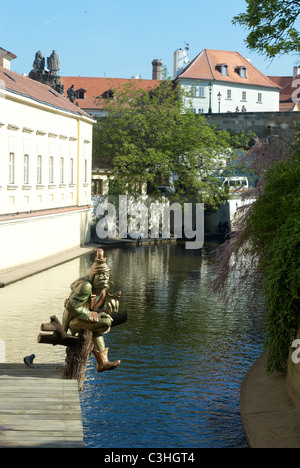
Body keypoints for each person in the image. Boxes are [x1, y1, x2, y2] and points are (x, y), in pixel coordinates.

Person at [62, 249, 121, 372]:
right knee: (104, 323)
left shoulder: (105, 288)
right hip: (75, 321)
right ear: (93, 276)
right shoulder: (86, 286)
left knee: (102, 323)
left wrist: (108, 311)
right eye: (100, 275)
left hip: (86, 319)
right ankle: (101, 362)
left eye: (106, 275)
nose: (104, 278)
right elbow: (72, 307)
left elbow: (97, 308)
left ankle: (103, 362)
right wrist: (94, 316)